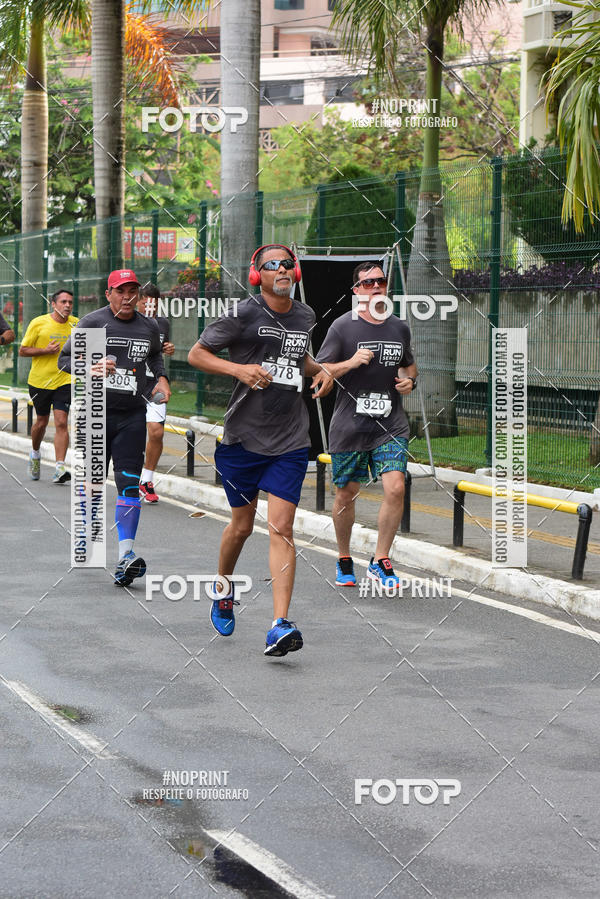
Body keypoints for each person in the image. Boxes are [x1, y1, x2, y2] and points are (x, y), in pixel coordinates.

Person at [188, 244, 332, 656]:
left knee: (282, 527)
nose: (282, 269)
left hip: (290, 439)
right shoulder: (243, 313)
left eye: (288, 264)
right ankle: (223, 588)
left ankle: (279, 624)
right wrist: (239, 370)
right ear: (258, 275)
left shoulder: (304, 315)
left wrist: (319, 370)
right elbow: (198, 353)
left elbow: (297, 356)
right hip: (243, 439)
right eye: (272, 265)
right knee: (241, 527)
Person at [59, 269, 171, 587]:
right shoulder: (94, 322)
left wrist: (161, 380)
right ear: (109, 293)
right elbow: (65, 360)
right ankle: (89, 545)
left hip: (132, 414)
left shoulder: (148, 326)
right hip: (96, 412)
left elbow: (155, 359)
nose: (127, 297)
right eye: (121, 291)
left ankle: (126, 556)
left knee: (128, 483)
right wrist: (90, 367)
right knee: (93, 486)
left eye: (133, 291)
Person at [316, 261, 417, 590]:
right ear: (357, 291)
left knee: (396, 487)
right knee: (346, 494)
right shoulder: (342, 328)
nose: (376, 287)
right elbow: (321, 371)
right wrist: (351, 361)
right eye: (368, 283)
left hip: (390, 425)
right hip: (350, 426)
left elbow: (409, 366)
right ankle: (344, 557)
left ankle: (380, 559)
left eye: (381, 281)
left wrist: (409, 382)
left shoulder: (399, 328)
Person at [19, 289, 78, 483]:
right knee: (41, 422)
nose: (67, 305)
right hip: (40, 382)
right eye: (63, 302)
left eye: (70, 302)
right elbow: (23, 350)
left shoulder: (77, 325)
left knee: (61, 421)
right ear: (53, 304)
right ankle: (35, 453)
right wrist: (45, 350)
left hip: (65, 380)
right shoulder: (38, 323)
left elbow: (85, 349)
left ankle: (60, 468)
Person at [135, 284, 175, 504]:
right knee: (132, 433)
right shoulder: (127, 321)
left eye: (155, 303)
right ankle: (131, 474)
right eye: (146, 302)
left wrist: (168, 348)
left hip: (155, 384)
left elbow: (159, 351)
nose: (150, 307)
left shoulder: (163, 323)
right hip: (131, 384)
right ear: (138, 301)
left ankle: (147, 480)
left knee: (156, 432)